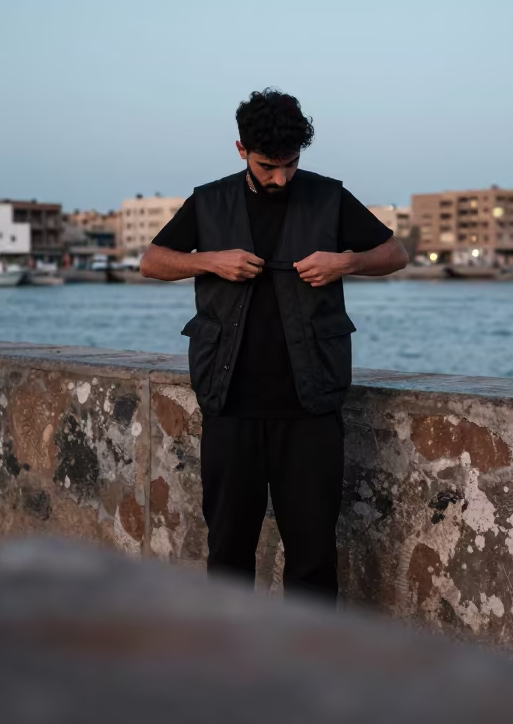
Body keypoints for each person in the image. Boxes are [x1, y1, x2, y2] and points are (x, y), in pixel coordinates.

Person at [140, 88, 408, 603]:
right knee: (228, 557)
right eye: (268, 166)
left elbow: (394, 253)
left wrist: (344, 262)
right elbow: (152, 262)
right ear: (241, 149)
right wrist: (210, 260)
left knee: (312, 560)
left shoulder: (328, 196)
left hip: (310, 408)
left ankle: (305, 673)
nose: (281, 177)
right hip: (229, 405)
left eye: (290, 164)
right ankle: (233, 672)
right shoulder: (209, 200)